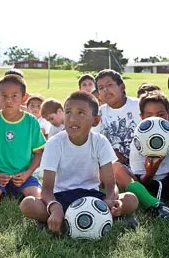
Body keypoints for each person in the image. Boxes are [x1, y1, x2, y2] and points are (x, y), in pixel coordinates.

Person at [19, 92, 139, 233]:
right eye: (68, 112)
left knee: (131, 199)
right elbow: (46, 190)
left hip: (92, 198)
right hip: (62, 198)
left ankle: (70, 219)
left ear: (95, 120)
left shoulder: (100, 142)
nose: (72, 118)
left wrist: (111, 200)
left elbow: (110, 185)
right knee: (27, 204)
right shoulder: (54, 143)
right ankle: (68, 217)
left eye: (81, 113)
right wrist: (54, 207)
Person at [0, 74, 46, 207]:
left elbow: (39, 153)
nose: (9, 100)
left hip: (24, 176)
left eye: (14, 96)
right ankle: (2, 191)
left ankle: (16, 192)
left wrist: (27, 174)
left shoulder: (31, 121)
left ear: (24, 98)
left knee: (38, 201)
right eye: (4, 96)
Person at [94, 69, 141, 167]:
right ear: (99, 95)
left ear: (122, 86)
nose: (105, 89)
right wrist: (111, 153)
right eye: (101, 87)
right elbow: (94, 141)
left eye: (109, 85)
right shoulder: (98, 113)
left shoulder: (139, 105)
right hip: (114, 166)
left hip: (142, 163)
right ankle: (136, 183)